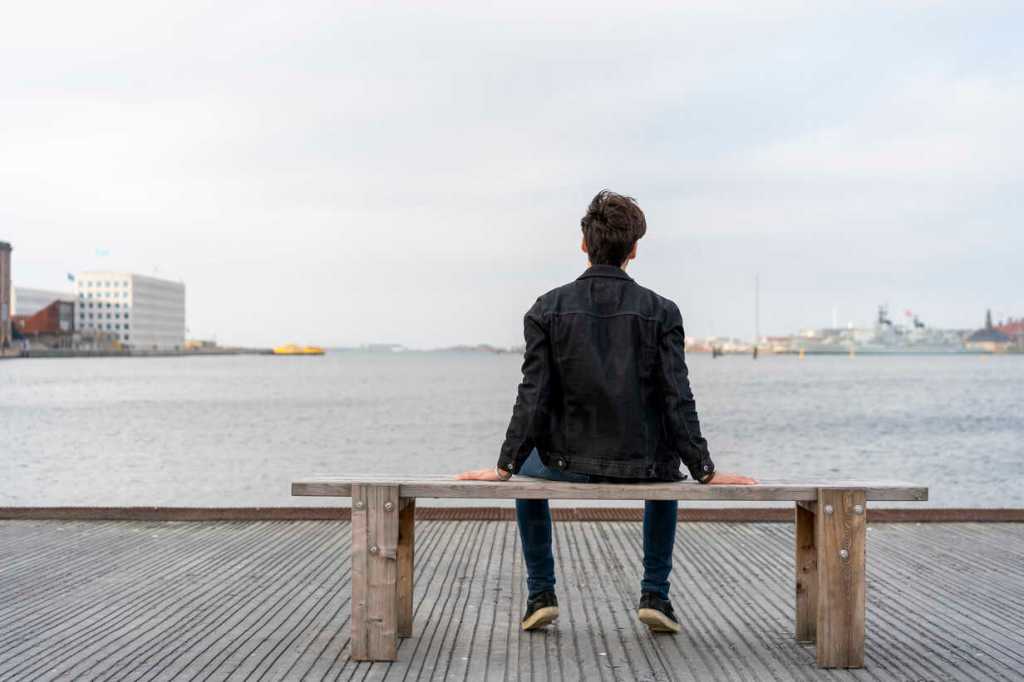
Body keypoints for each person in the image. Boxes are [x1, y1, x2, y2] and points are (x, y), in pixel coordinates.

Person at [456, 190, 757, 634]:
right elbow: (677, 396)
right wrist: (704, 469)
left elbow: (533, 396)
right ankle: (655, 595)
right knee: (668, 472)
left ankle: (541, 593)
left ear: (584, 244)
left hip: (564, 463)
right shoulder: (662, 311)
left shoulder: (546, 309)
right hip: (643, 464)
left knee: (525, 474)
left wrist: (505, 466)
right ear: (633, 250)